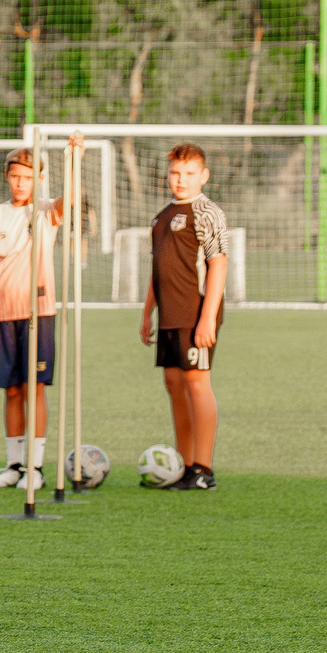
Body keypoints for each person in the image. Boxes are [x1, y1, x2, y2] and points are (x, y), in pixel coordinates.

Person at [0, 143, 74, 491]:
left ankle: (36, 467)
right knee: (12, 390)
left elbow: (68, 201)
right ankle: (14, 465)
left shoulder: (44, 212)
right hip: (2, 314)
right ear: (7, 176)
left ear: (39, 179)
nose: (20, 183)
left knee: (35, 388)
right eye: (16, 176)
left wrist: (73, 158)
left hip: (37, 313)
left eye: (28, 178)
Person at [140, 142, 229, 490]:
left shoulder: (207, 211)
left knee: (196, 383)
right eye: (176, 172)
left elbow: (218, 264)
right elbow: (158, 268)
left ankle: (203, 469)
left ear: (203, 176)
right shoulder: (161, 216)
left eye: (189, 173)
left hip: (195, 312)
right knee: (174, 385)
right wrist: (147, 311)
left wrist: (208, 318)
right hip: (169, 314)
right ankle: (184, 464)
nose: (181, 179)